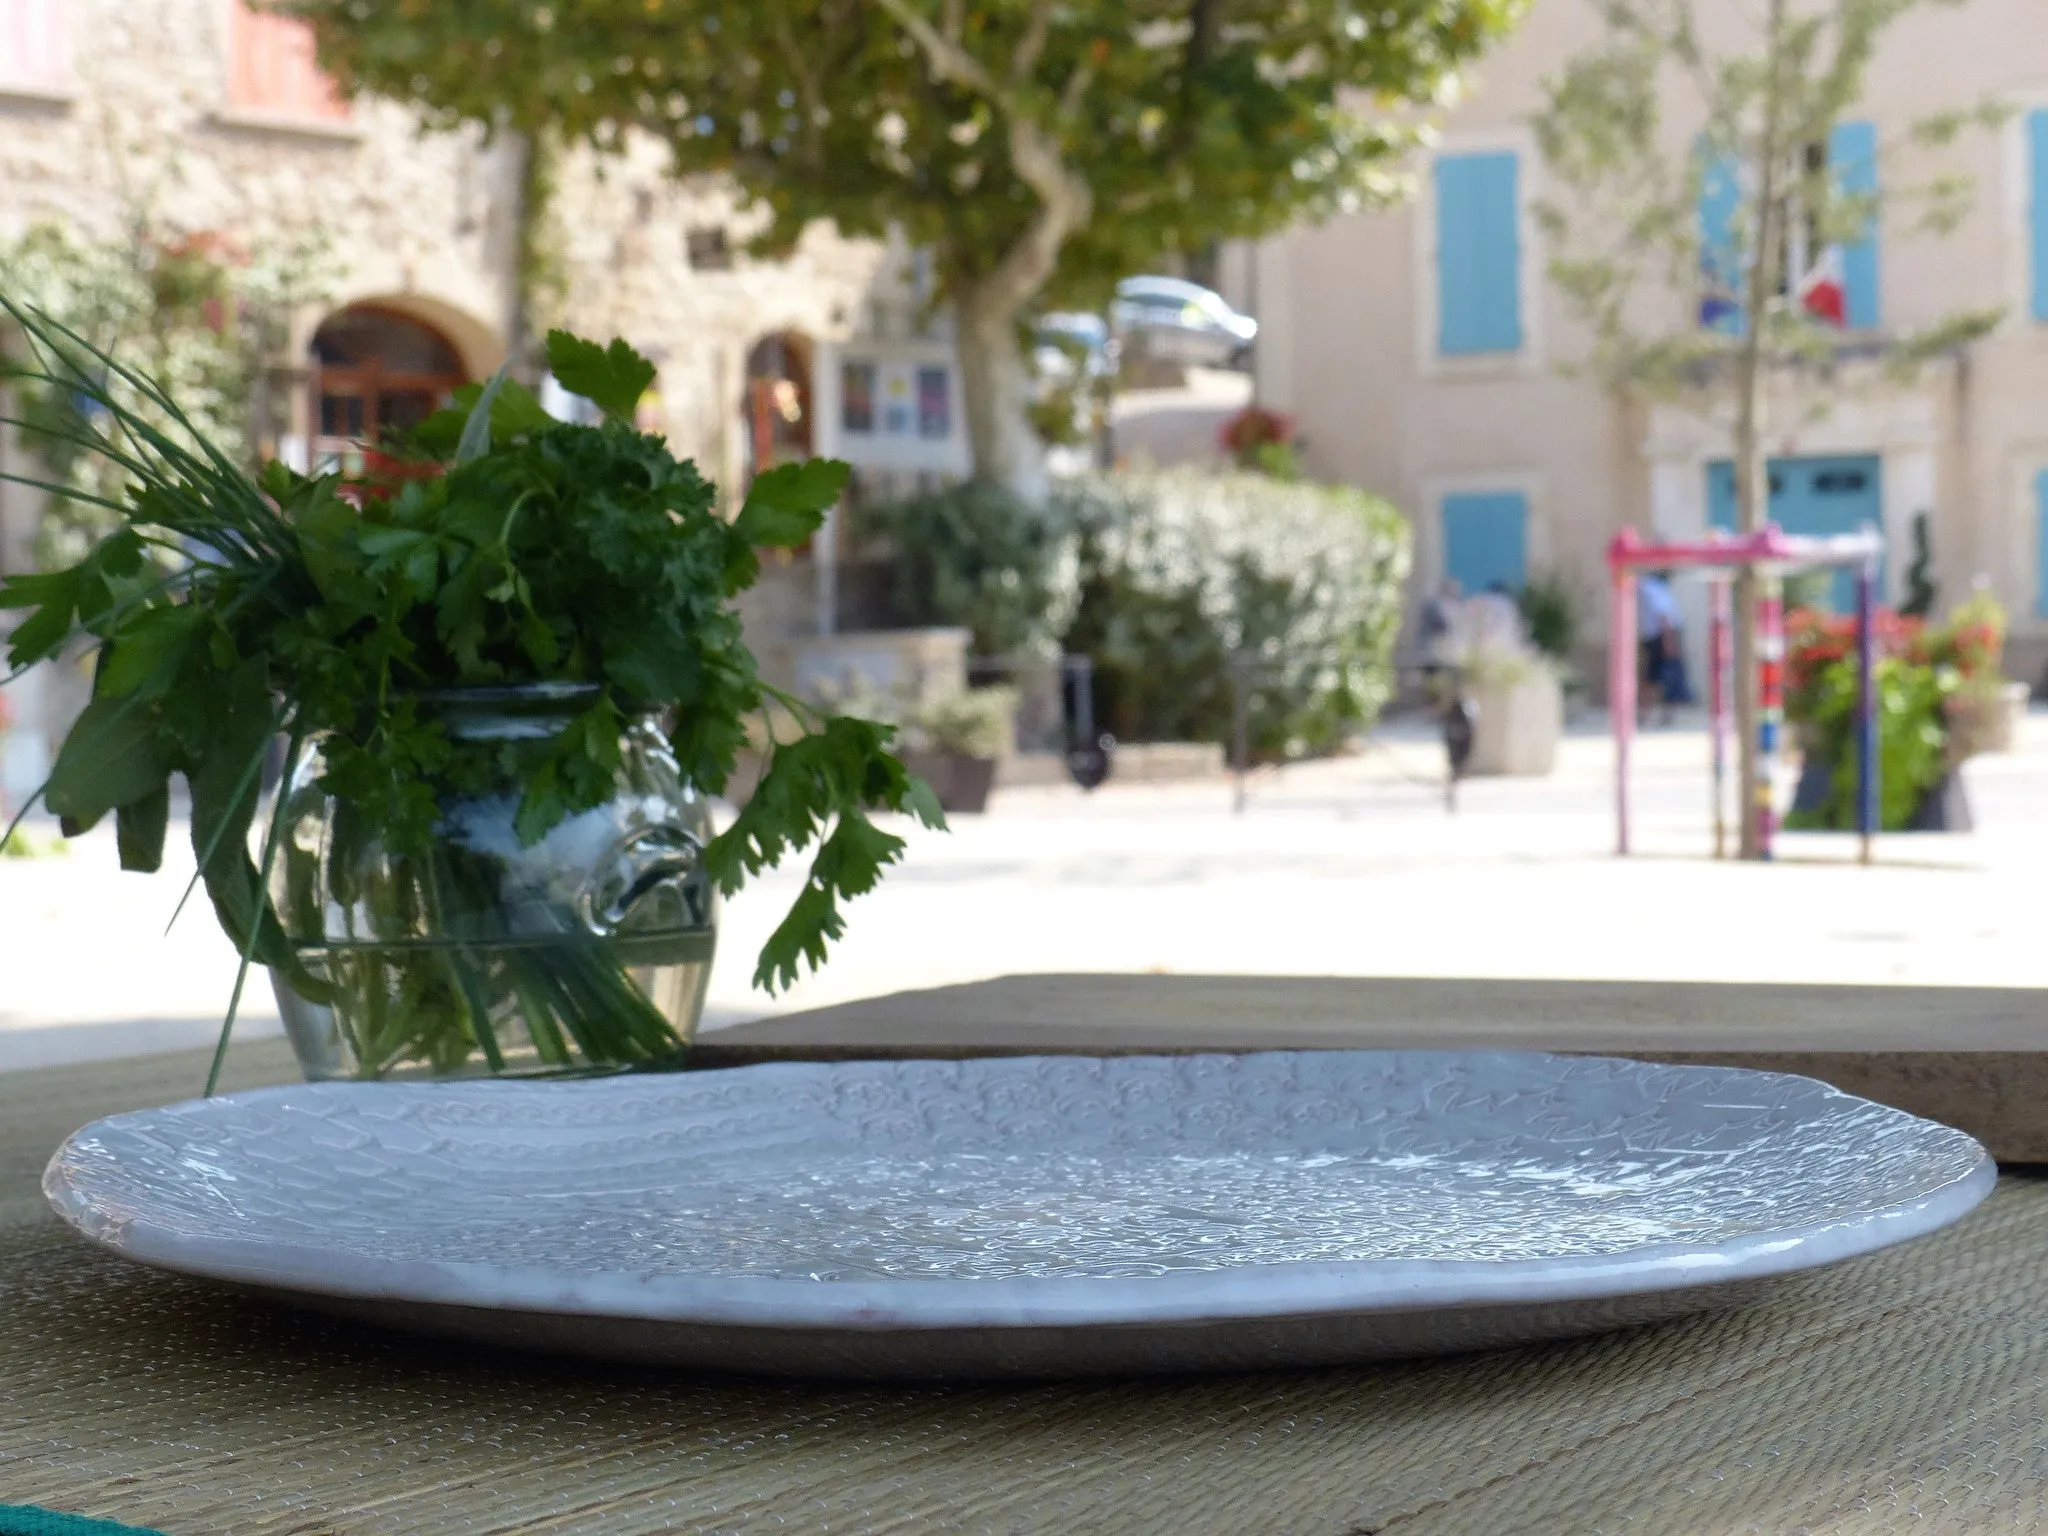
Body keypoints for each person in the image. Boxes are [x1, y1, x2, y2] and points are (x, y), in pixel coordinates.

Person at [1637, 570, 1689, 725]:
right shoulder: (1652, 588)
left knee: (1656, 675)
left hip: (1658, 636)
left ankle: (1652, 713)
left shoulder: (1650, 587)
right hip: (1662, 637)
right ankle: (1653, 713)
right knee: (1664, 676)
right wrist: (1669, 642)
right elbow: (1664, 616)